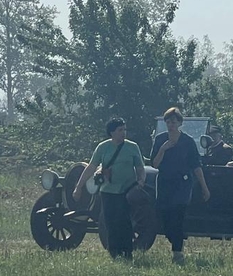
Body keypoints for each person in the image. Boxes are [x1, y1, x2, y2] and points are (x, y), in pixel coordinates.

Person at [72, 117, 145, 260]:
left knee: (125, 222)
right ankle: (114, 253)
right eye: (120, 130)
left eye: (124, 129)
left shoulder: (132, 147)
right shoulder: (102, 147)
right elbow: (91, 167)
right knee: (111, 222)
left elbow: (140, 167)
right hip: (108, 191)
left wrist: (141, 181)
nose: (123, 133)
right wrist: (78, 187)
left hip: (127, 190)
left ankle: (127, 252)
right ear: (112, 132)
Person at [150, 107, 211, 263]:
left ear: (180, 123)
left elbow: (196, 166)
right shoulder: (159, 139)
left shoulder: (188, 141)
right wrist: (163, 149)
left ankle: (177, 253)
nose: (171, 124)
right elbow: (155, 164)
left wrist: (204, 187)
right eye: (168, 122)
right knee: (164, 216)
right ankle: (176, 240)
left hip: (182, 183)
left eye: (174, 121)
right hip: (164, 181)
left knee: (177, 216)